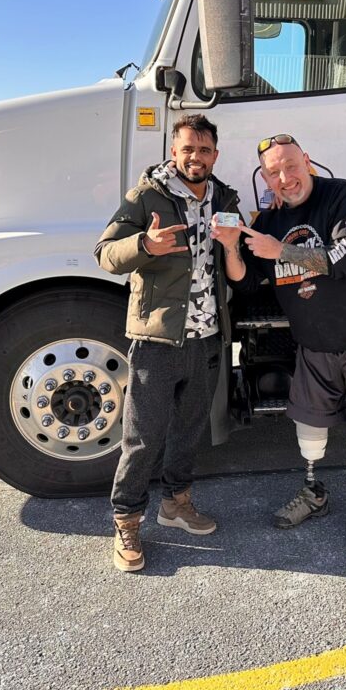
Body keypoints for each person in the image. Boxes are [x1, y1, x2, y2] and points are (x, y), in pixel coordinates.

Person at [212, 134, 346, 549]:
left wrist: (283, 252)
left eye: (291, 166)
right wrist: (231, 250)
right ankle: (315, 494)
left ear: (308, 162)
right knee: (310, 427)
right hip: (314, 345)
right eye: (274, 172)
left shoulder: (343, 195)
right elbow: (247, 286)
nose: (285, 177)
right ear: (264, 177)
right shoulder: (267, 222)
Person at [94, 113, 240, 573]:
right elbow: (105, 254)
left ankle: (176, 504)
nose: (195, 157)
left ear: (215, 154)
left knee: (190, 428)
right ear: (173, 152)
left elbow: (233, 265)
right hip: (157, 339)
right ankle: (127, 521)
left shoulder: (227, 197)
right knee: (142, 437)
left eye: (204, 149)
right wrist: (145, 245)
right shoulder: (147, 196)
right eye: (187, 149)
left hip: (207, 336)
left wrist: (235, 244)